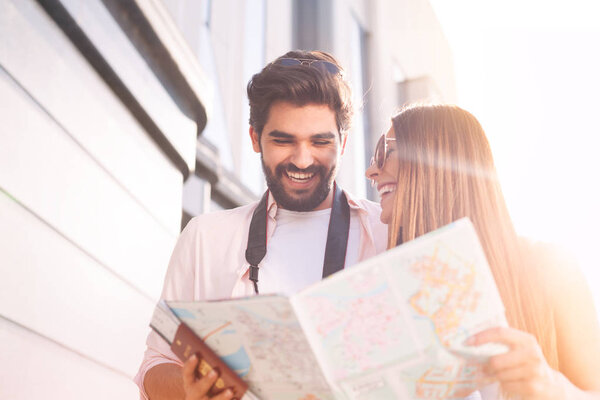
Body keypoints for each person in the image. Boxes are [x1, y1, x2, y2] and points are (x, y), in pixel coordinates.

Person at [134, 50, 387, 400]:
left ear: (342, 144)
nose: (302, 159)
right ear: (255, 139)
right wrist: (190, 391)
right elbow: (155, 364)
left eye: (320, 142)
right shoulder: (205, 238)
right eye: (283, 140)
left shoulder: (389, 234)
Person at [366, 103, 600, 399]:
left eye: (384, 151)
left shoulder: (550, 265)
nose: (371, 170)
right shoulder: (390, 287)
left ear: (434, 157)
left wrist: (550, 386)